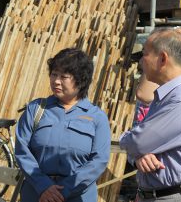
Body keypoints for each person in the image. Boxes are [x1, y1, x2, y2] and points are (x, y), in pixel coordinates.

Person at [120, 28, 181, 201]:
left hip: (174, 195)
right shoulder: (170, 95)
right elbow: (139, 142)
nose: (141, 62)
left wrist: (132, 144)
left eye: (144, 54)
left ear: (162, 58)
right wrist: (138, 155)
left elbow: (137, 140)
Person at [15, 48, 111, 202]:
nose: (56, 81)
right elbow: (22, 150)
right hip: (37, 194)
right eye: (54, 74)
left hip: (78, 196)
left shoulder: (96, 117)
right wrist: (44, 186)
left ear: (81, 80)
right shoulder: (36, 109)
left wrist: (64, 190)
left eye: (64, 76)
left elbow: (98, 161)